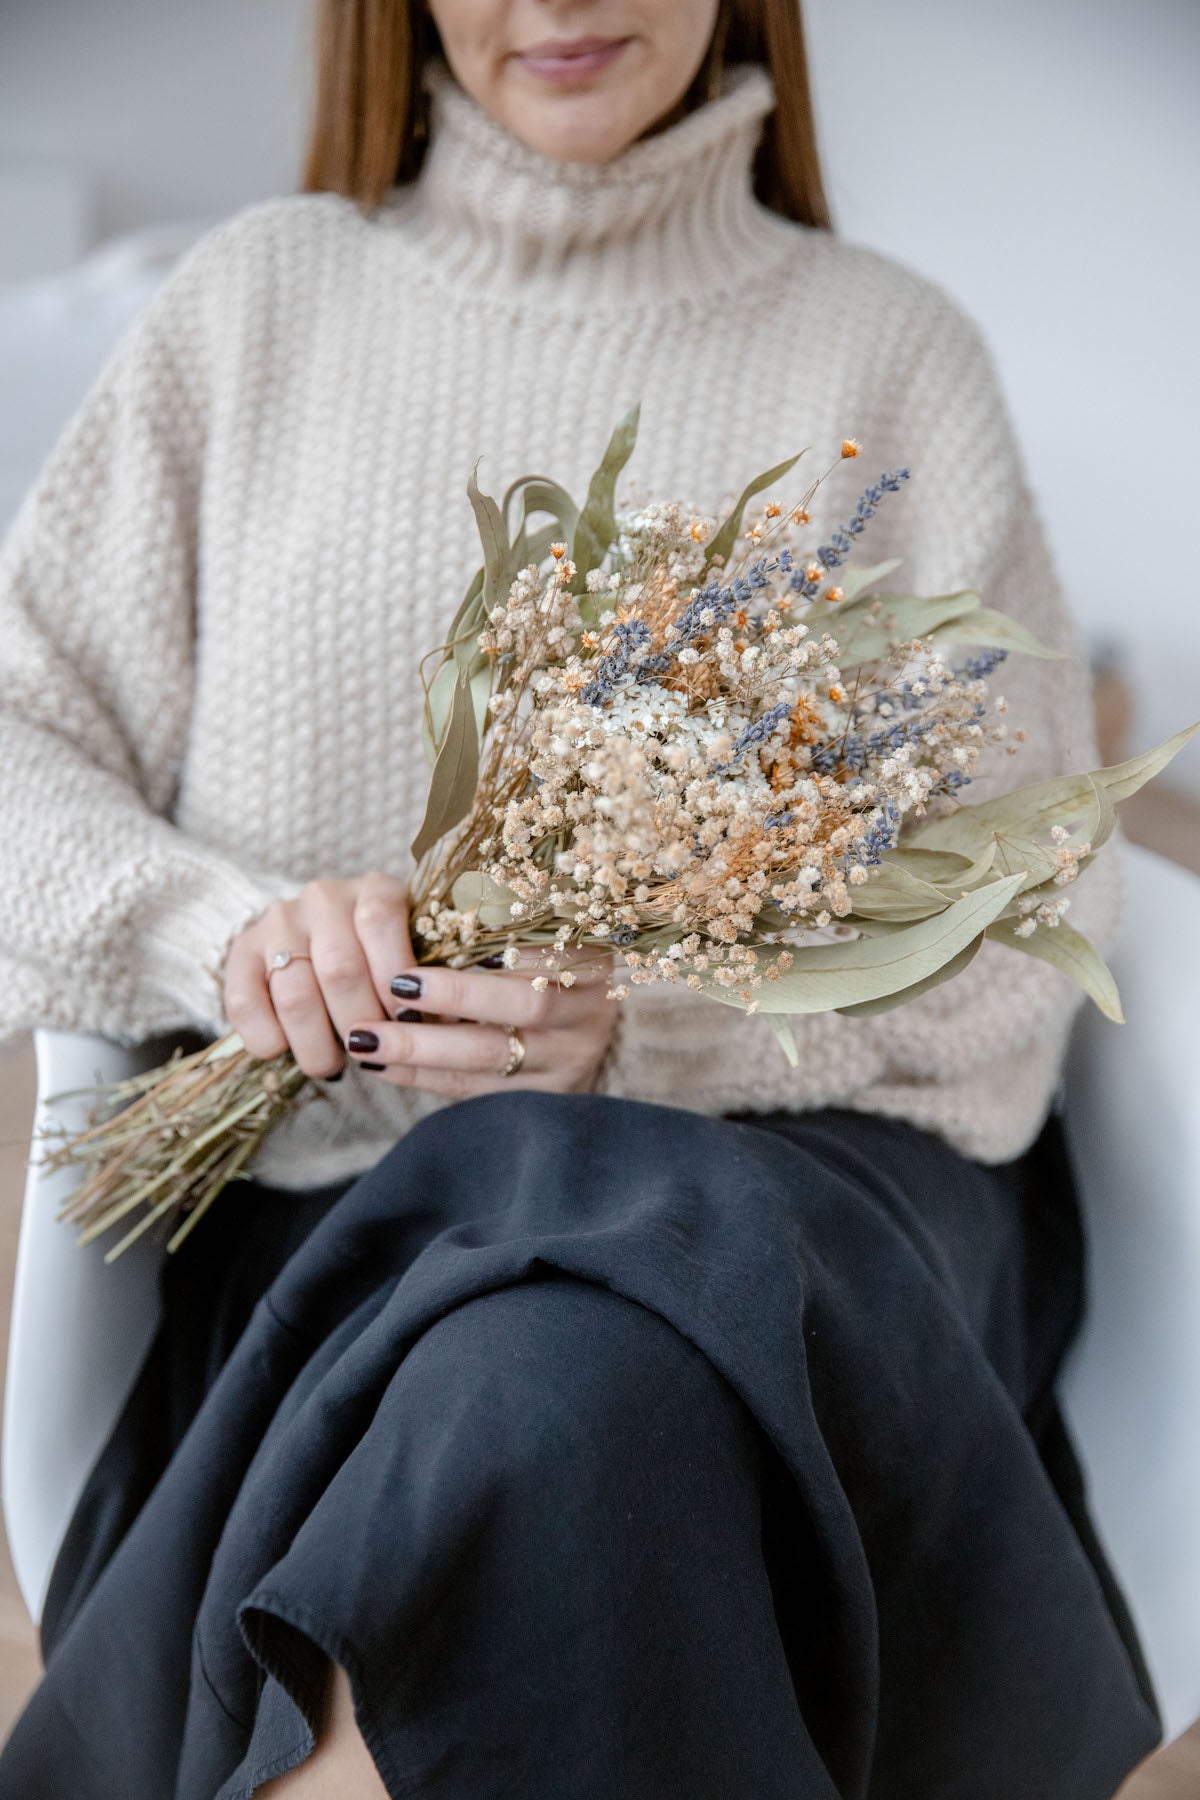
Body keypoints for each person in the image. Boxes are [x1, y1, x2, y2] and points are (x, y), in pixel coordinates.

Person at [0, 2, 1163, 1794]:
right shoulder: (258, 310)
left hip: (808, 1212)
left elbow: (1008, 958)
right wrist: (224, 932)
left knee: (557, 1372)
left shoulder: (887, 353)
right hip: (336, 1231)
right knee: (557, 1396)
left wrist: (650, 1029)